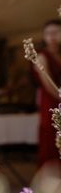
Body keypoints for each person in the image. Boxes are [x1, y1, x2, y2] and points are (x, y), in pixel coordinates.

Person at [32, 19, 61, 168]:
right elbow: (49, 85)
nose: (52, 37)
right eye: (48, 33)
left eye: (56, 32)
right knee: (52, 139)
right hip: (51, 103)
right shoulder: (41, 56)